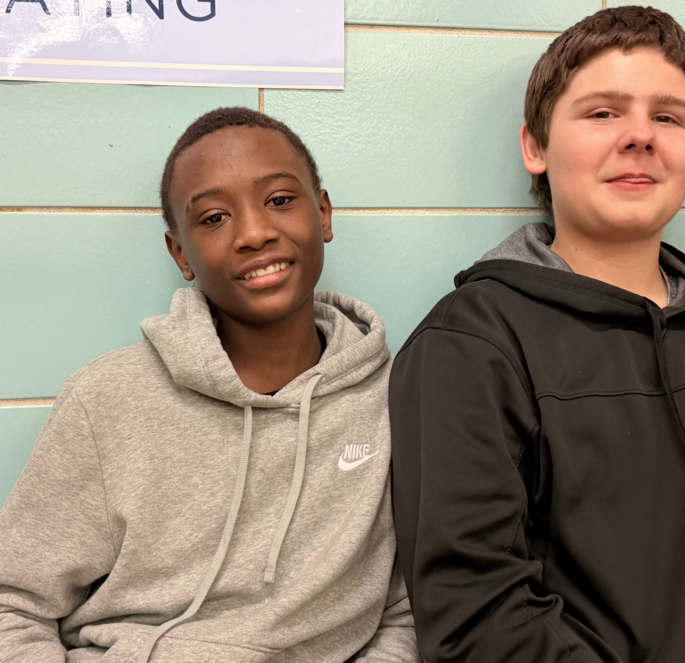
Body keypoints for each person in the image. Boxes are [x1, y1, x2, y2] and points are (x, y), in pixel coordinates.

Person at [389, 6, 685, 662]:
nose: (640, 136)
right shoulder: (470, 343)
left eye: (668, 117)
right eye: (602, 112)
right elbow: (477, 612)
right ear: (536, 146)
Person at [0, 107, 418, 662]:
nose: (254, 233)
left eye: (280, 200)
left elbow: (406, 610)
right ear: (181, 254)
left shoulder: (399, 400)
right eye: (215, 217)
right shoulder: (106, 400)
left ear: (323, 213)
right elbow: (14, 604)